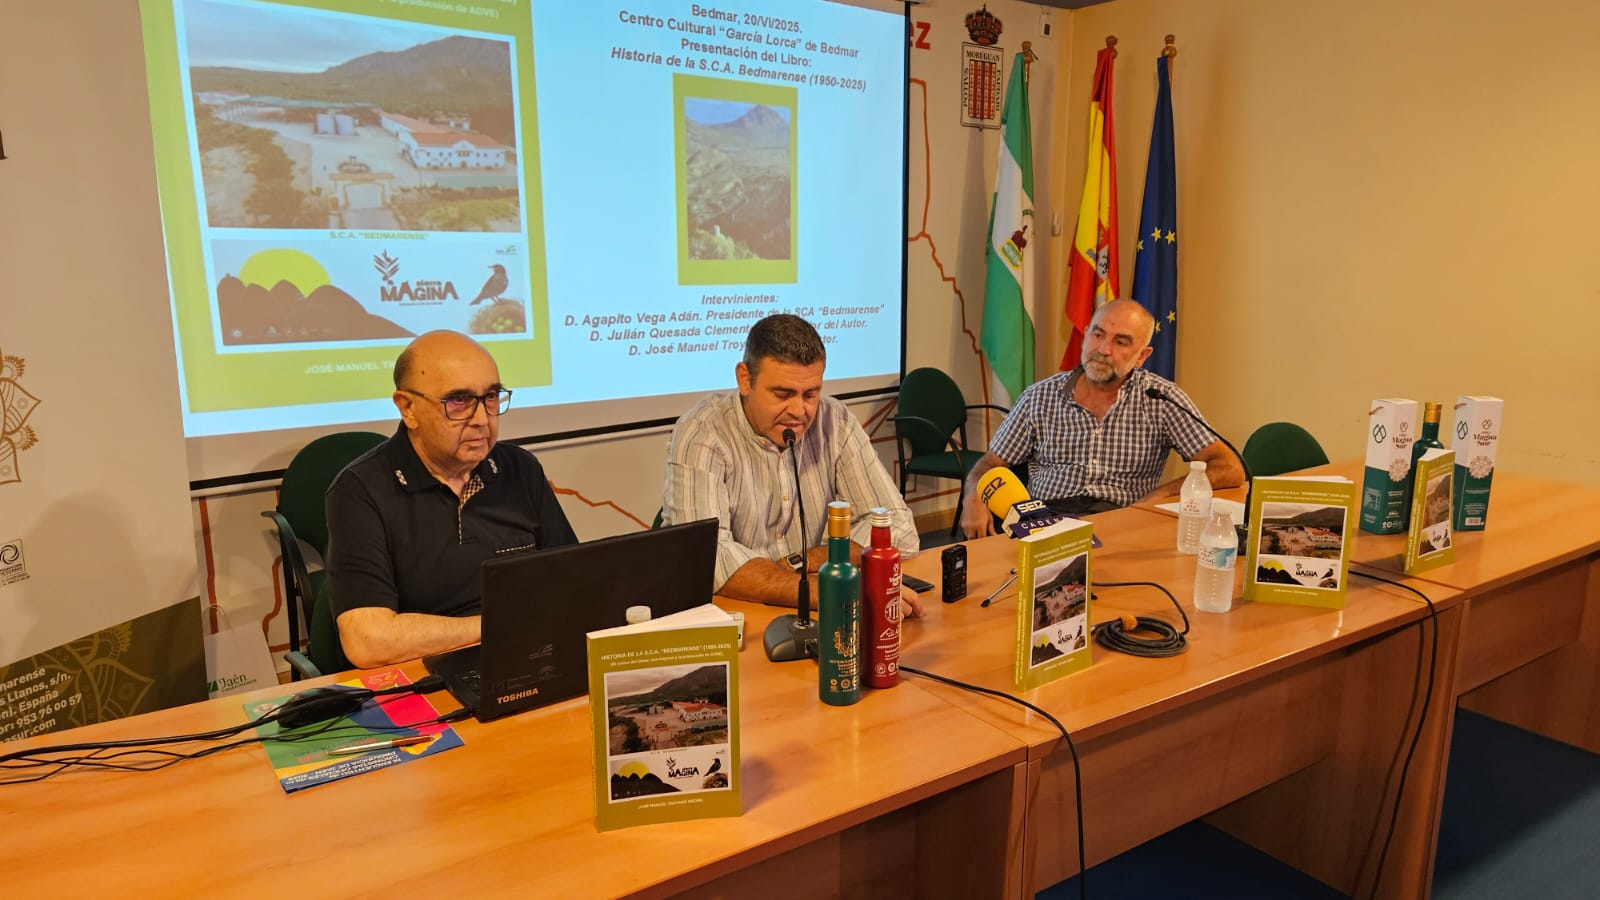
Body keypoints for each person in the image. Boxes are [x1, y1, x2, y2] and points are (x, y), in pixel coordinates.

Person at [326, 330, 577, 667]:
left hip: (527, 656)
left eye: (491, 396)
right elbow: (368, 643)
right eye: (458, 400)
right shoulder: (360, 490)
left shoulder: (520, 468)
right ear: (408, 408)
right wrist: (500, 627)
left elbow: (572, 584)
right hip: (425, 672)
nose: (482, 419)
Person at [664, 314, 924, 616]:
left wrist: (807, 561)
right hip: (736, 614)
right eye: (783, 394)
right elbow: (704, 557)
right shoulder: (702, 433)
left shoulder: (835, 421)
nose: (799, 411)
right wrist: (827, 591)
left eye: (810, 394)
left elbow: (899, 528)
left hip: (813, 615)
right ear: (745, 379)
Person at [960, 299, 1244, 539]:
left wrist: (1157, 497)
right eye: (1098, 335)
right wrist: (973, 496)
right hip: (1043, 522)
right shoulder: (1040, 396)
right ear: (1085, 336)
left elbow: (1229, 468)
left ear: (1142, 356)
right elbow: (990, 464)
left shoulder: (1160, 398)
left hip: (1120, 525)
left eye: (1121, 342)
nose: (1103, 349)